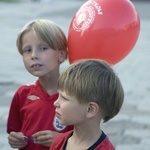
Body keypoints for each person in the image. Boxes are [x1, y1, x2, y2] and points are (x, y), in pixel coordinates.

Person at [7, 19, 73, 150]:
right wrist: (15, 139)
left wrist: (62, 140)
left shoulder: (75, 96)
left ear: (61, 55)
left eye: (43, 48)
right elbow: (14, 131)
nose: (33, 55)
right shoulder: (22, 94)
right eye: (27, 50)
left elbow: (87, 137)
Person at [50, 59, 124, 150]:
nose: (55, 103)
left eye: (64, 98)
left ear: (90, 109)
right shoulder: (59, 141)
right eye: (58, 95)